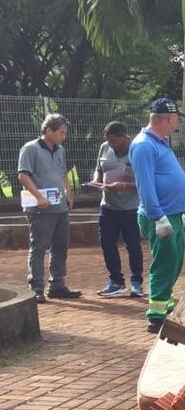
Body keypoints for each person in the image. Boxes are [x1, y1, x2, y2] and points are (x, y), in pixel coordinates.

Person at [130, 98, 185, 332]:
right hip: (160, 215)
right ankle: (156, 316)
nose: (176, 125)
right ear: (169, 118)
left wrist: (178, 213)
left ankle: (165, 306)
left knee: (174, 262)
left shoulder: (160, 142)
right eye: (176, 120)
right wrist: (159, 217)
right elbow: (145, 185)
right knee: (165, 263)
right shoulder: (144, 145)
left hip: (172, 213)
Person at [17, 114, 80, 302]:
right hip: (40, 209)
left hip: (59, 208)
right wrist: (38, 197)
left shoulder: (60, 150)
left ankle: (57, 285)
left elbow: (63, 174)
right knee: (38, 248)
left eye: (65, 133)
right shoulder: (30, 149)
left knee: (61, 247)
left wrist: (69, 194)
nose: (64, 136)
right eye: (61, 132)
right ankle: (36, 288)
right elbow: (23, 176)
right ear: (49, 131)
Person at [93, 121, 144, 298]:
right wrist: (97, 181)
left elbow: (145, 182)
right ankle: (116, 281)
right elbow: (98, 169)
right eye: (108, 141)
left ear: (123, 137)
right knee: (107, 243)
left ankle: (136, 282)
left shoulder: (137, 150)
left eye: (114, 141)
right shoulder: (104, 148)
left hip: (131, 208)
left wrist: (123, 185)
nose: (111, 144)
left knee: (133, 245)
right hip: (108, 207)